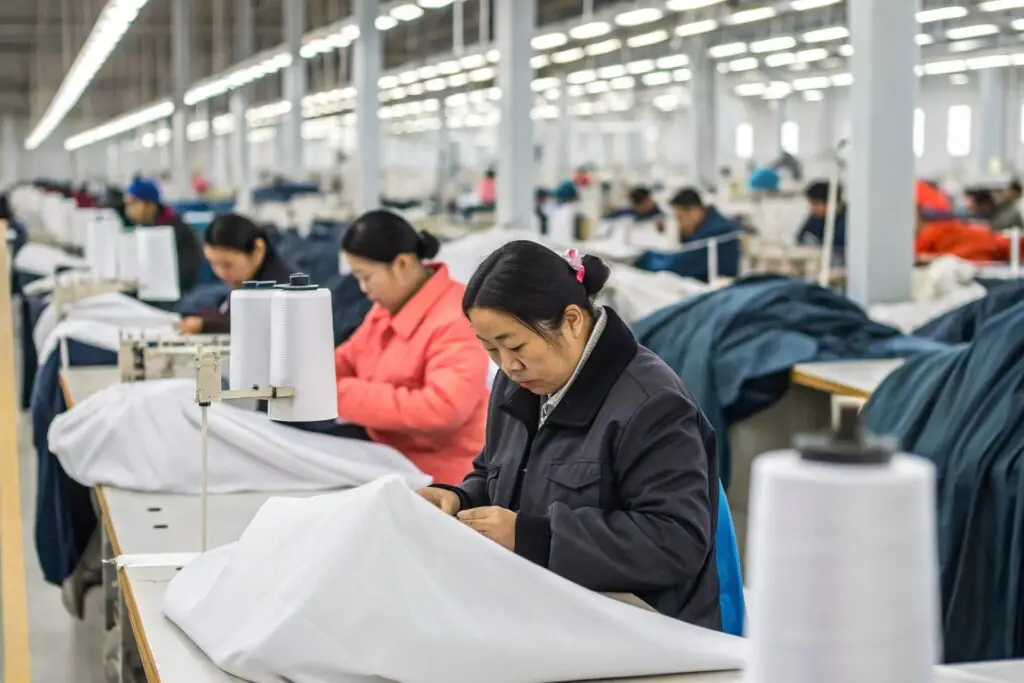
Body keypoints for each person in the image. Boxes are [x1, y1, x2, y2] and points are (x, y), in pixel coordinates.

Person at [419, 241, 721, 628]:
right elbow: (493, 472)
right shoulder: (518, 385)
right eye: (491, 350)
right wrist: (458, 500)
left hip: (639, 623)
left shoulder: (652, 406)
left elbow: (675, 541)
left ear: (573, 320)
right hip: (544, 598)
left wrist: (532, 537)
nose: (508, 365)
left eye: (515, 345)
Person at [334, 210, 490, 485]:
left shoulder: (456, 316)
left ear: (402, 264)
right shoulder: (389, 307)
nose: (362, 288)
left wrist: (339, 394)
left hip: (443, 476)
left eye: (366, 277)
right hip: (388, 456)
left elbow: (442, 409)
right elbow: (346, 359)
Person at [177, 213, 294, 334]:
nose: (220, 272)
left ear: (258, 249)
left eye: (227, 265)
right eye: (213, 263)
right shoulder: (244, 282)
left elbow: (255, 322)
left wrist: (204, 324)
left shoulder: (282, 290)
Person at [635, 188, 741, 282]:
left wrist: (644, 260)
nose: (679, 224)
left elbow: (678, 265)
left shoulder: (717, 232)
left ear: (693, 210)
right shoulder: (708, 225)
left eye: (680, 218)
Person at [123, 177, 203, 298]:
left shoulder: (175, 231)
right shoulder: (146, 227)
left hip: (176, 294)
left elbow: (183, 276)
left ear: (149, 204)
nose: (128, 210)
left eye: (133, 203)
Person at [796, 180, 846, 255]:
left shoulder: (850, 220)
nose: (812, 208)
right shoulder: (816, 218)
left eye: (816, 204)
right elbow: (801, 238)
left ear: (832, 203)